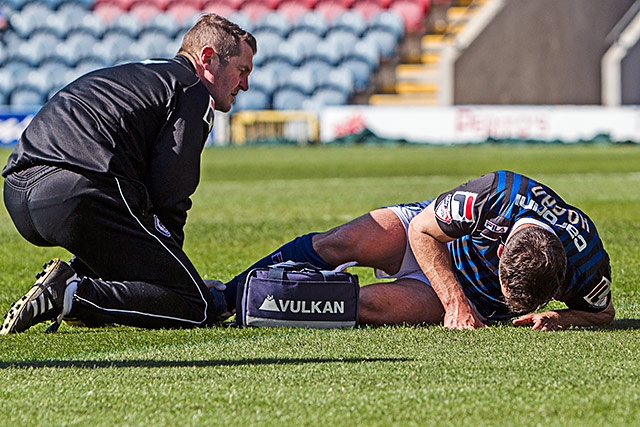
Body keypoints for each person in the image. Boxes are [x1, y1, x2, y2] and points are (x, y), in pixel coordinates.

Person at [1, 13, 257, 334]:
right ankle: (72, 293)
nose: (245, 85)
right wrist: (172, 276)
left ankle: (74, 284)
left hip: (17, 192)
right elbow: (170, 192)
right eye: (242, 71)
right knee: (196, 305)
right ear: (207, 58)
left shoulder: (142, 73)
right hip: (80, 189)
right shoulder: (192, 90)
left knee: (132, 219)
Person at [225, 170, 614, 331]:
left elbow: (604, 312)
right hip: (429, 239)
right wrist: (454, 303)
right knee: (341, 242)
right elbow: (424, 230)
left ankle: (255, 302)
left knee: (364, 306)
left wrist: (565, 318)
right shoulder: (494, 194)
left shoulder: (588, 262)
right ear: (500, 254)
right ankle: (224, 297)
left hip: (475, 300)